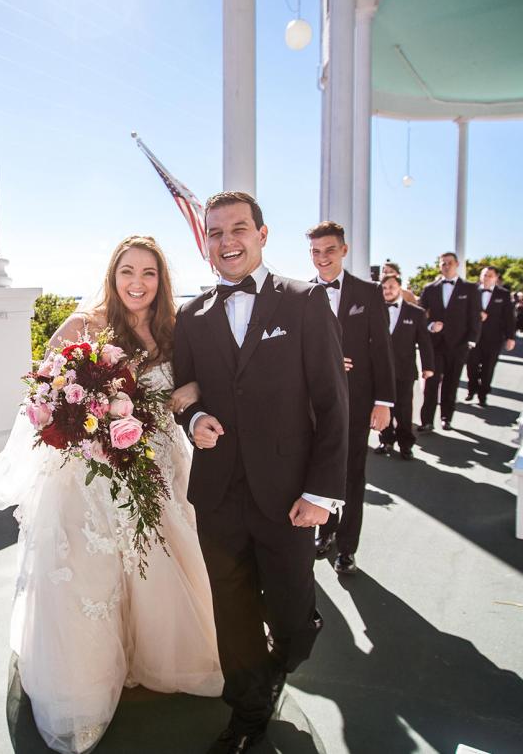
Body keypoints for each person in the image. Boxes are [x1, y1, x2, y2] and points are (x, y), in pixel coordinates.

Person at [0, 236, 222, 754]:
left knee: (159, 561)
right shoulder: (82, 326)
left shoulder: (177, 331)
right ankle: (83, 686)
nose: (138, 283)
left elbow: (207, 380)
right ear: (112, 277)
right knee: (89, 574)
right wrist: (82, 423)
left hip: (156, 459)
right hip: (87, 476)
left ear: (162, 280)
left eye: (149, 273)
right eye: (127, 272)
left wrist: (191, 392)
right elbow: (41, 398)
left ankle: (158, 659)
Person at [174, 191, 349, 754]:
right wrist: (196, 419)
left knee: (293, 618)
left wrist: (323, 493)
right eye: (216, 232)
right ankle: (247, 715)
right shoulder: (191, 316)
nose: (227, 241)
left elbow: (333, 405)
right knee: (235, 612)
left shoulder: (303, 303)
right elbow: (185, 396)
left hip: (289, 497)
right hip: (219, 495)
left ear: (263, 234)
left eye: (239, 229)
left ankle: (294, 646)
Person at [303, 221, 394, 577]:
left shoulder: (369, 293)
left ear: (344, 249)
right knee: (320, 472)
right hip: (313, 405)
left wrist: (384, 402)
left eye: (328, 250)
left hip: (357, 401)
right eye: (315, 252)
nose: (322, 258)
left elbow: (382, 350)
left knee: (353, 476)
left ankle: (347, 548)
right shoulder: (299, 293)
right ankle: (324, 532)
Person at [418, 252, 481, 431]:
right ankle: (427, 421)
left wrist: (471, 341)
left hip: (459, 345)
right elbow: (421, 314)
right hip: (435, 344)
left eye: (449, 263)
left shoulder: (469, 288)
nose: (446, 266)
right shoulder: (430, 288)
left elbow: (474, 317)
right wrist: (430, 326)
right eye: (443, 263)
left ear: (457, 264)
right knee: (431, 383)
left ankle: (446, 417)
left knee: (451, 383)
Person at [375, 274, 434, 459]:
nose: (388, 290)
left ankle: (406, 444)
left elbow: (424, 342)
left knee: (404, 409)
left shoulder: (415, 313)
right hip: (379, 371)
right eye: (384, 288)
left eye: (391, 286)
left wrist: (428, 366)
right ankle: (386, 440)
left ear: (400, 288)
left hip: (405, 370)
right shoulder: (374, 311)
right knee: (383, 408)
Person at [465, 266, 517, 408]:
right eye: (484, 275)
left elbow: (509, 317)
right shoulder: (471, 290)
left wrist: (510, 337)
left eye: (490, 275)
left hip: (494, 337)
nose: (487, 278)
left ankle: (483, 395)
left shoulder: (504, 294)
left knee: (488, 367)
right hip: (473, 336)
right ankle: (472, 388)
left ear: (496, 278)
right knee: (472, 365)